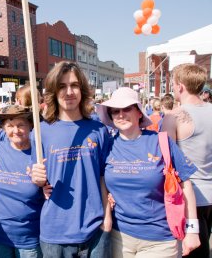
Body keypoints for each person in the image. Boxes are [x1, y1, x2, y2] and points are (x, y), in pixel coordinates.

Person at [96, 87, 200, 257]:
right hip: (119, 237)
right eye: (115, 111)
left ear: (138, 112)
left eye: (127, 108)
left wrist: (192, 230)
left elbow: (186, 184)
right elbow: (99, 180)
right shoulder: (107, 146)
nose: (121, 114)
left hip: (160, 239)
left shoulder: (161, 142)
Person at [30, 61, 111, 258]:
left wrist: (106, 219)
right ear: (53, 92)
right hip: (55, 233)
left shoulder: (98, 130)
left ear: (82, 90)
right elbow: (37, 178)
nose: (69, 92)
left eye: (74, 85)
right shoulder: (41, 133)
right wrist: (37, 179)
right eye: (62, 86)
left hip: (95, 229)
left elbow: (104, 178)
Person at [162, 63, 212, 257]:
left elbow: (166, 161)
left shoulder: (174, 117)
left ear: (180, 86)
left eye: (173, 85)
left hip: (190, 199)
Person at [0, 105, 44, 258]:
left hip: (29, 238)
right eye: (10, 126)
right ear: (3, 128)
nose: (15, 130)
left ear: (30, 125)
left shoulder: (40, 153)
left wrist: (45, 186)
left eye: (20, 125)